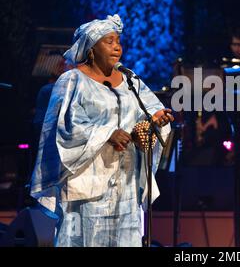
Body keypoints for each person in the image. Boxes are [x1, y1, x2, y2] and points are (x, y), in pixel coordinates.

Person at [30, 14, 174, 247]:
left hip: (125, 183)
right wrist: (108, 133)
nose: (117, 46)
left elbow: (146, 116)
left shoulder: (130, 80)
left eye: (118, 41)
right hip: (87, 183)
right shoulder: (72, 81)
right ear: (91, 48)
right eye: (109, 41)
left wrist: (154, 122)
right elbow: (64, 128)